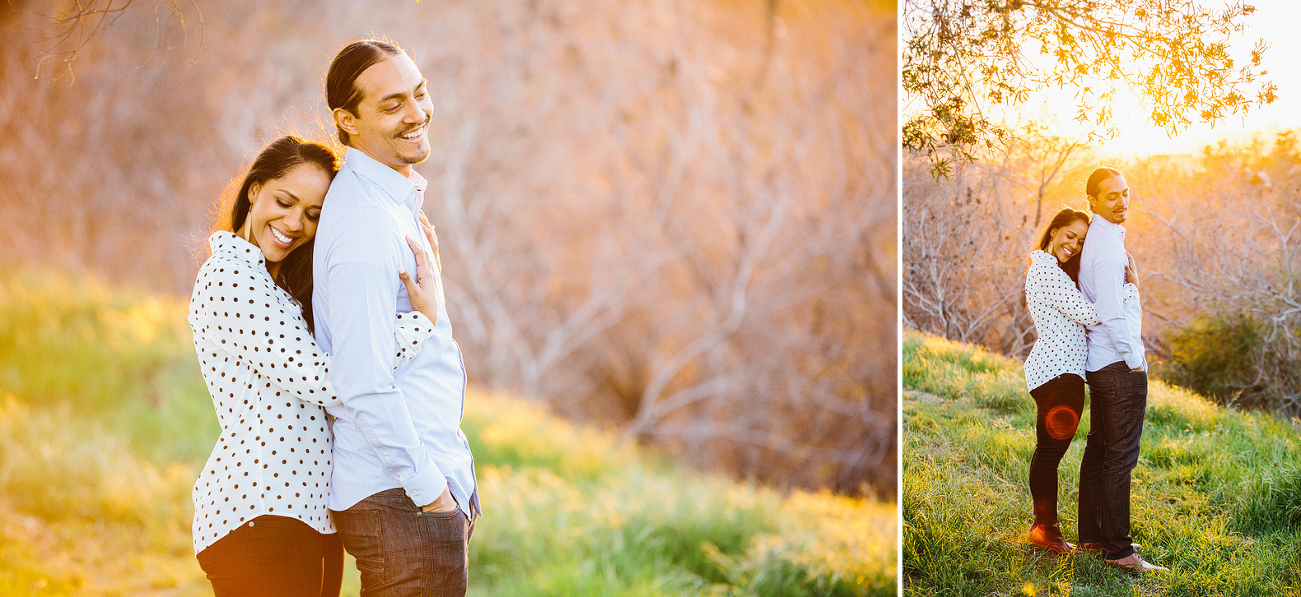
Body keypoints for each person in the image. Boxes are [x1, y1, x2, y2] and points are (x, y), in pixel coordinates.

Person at [188, 135, 445, 596]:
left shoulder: (277, 285)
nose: (293, 223)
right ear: (254, 191)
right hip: (259, 512)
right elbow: (333, 381)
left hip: (304, 517)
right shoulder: (229, 274)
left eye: (312, 215)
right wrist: (420, 322)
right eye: (284, 202)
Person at [313, 39, 481, 596]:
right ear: (348, 120)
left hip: (410, 498)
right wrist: (432, 492)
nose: (416, 114)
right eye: (391, 104)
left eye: (420, 92)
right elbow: (361, 381)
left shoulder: (389, 202)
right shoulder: (366, 223)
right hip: (401, 499)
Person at [1022, 208, 1137, 554]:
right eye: (1069, 235)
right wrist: (1129, 290)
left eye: (1081, 241)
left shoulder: (1052, 269)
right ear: (1054, 230)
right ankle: (1045, 530)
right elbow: (1090, 313)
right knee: (1048, 455)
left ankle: (1046, 528)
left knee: (1048, 454)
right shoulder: (1043, 268)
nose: (1073, 245)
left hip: (1062, 373)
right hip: (1057, 374)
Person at [1076, 167, 1167, 573]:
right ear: (1091, 200)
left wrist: (1133, 287)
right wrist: (1136, 362)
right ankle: (1119, 551)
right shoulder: (1109, 248)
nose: (1122, 201)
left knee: (1100, 452)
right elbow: (1113, 316)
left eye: (1125, 193)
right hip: (1117, 366)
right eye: (1111, 195)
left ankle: (1094, 539)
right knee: (1120, 457)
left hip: (1101, 364)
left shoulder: (1102, 239)